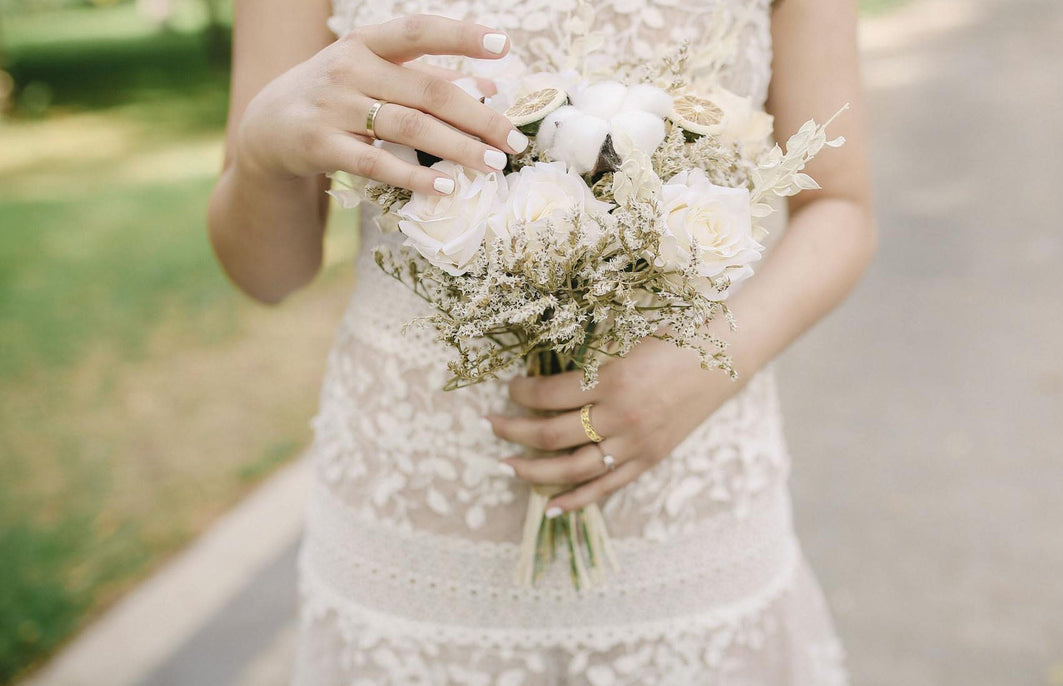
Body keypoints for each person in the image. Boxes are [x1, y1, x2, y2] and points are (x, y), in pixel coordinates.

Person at [207, 0, 875, 682]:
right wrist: (262, 159)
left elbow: (839, 207)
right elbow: (268, 275)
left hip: (686, 502)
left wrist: (707, 366)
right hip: (413, 525)